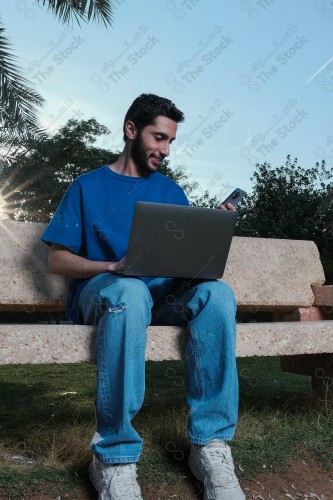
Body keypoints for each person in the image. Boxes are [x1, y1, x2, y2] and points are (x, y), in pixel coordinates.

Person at [41, 93, 245, 500]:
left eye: (170, 141)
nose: (165, 150)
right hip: (104, 293)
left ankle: (211, 447)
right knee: (130, 290)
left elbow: (184, 264)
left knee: (218, 295)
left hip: (160, 298)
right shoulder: (86, 186)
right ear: (131, 130)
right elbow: (57, 261)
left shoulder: (171, 192)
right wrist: (111, 267)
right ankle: (113, 457)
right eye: (159, 138)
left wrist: (212, 235)